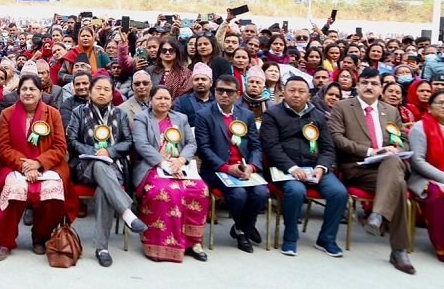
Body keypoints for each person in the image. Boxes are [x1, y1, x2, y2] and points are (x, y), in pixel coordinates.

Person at [328, 67, 415, 274]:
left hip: (389, 165)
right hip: (358, 167)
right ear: (357, 86)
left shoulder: (391, 111)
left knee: (393, 164)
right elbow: (337, 138)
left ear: (380, 88)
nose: (369, 87)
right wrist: (371, 151)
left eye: (374, 83)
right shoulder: (342, 107)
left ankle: (376, 215)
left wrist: (396, 149)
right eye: (365, 82)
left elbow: (403, 140)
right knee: (399, 184)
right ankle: (399, 250)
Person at [0, 74, 76, 261]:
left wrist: (38, 163)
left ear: (40, 92)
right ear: (18, 91)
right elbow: (3, 147)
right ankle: (5, 241)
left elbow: (60, 147)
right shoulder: (7, 114)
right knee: (13, 189)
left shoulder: (52, 113)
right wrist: (25, 165)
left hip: (48, 165)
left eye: (32, 89)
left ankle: (40, 237)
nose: (28, 92)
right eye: (24, 89)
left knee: (53, 194)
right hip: (16, 164)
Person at [261, 76, 347, 257]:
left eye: (301, 91)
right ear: (283, 92)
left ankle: (326, 239)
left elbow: (328, 148)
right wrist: (292, 168)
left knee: (339, 193)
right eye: (292, 91)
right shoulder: (272, 114)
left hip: (314, 168)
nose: (296, 95)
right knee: (296, 191)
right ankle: (290, 238)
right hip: (286, 169)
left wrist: (321, 167)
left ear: (309, 95)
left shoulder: (318, 116)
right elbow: (271, 147)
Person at [66, 75, 147, 267]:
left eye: (106, 89)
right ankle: (127, 212)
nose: (101, 92)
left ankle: (102, 248)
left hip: (113, 167)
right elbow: (71, 140)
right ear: (91, 90)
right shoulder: (79, 112)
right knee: (100, 164)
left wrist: (109, 151)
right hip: (85, 167)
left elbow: (128, 142)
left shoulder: (119, 114)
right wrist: (94, 152)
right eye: (98, 88)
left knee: (104, 190)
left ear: (112, 94)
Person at [131, 86, 209, 263]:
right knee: (165, 192)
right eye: (158, 98)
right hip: (153, 166)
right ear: (151, 100)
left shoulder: (180, 118)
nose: (163, 102)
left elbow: (191, 143)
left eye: (166, 98)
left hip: (179, 165)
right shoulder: (142, 118)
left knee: (199, 190)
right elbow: (142, 145)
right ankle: (159, 245)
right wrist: (163, 163)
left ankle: (193, 242)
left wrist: (181, 160)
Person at [195, 74, 267, 253]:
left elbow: (256, 146)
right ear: (215, 92)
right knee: (239, 195)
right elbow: (204, 149)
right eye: (220, 90)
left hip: (245, 168)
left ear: (237, 94)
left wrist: (252, 166)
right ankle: (244, 231)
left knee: (260, 193)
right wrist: (227, 168)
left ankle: (241, 226)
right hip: (218, 170)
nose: (224, 95)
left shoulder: (247, 115)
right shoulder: (204, 115)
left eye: (229, 91)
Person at [407, 90, 444, 262]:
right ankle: (441, 246)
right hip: (424, 177)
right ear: (429, 108)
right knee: (438, 194)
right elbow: (418, 161)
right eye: (440, 103)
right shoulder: (420, 128)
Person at [173, 62, 215, 127]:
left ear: (211, 83)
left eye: (203, 79)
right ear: (192, 82)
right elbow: (178, 125)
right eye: (196, 79)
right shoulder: (181, 102)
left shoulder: (218, 102)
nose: (200, 82)